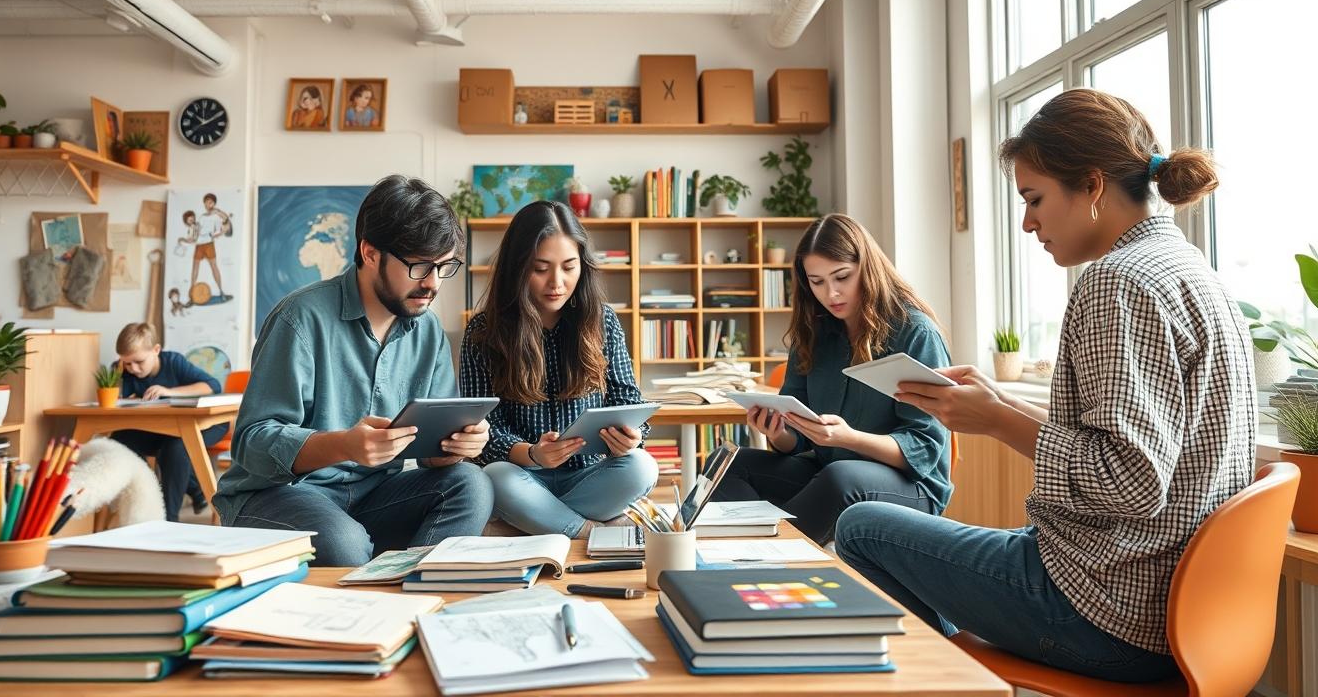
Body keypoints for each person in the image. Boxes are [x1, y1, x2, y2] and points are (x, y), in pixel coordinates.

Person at [837, 88, 1255, 682]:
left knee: (860, 527)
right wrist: (998, 399)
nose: (1028, 222)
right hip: (1179, 609)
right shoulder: (1187, 268)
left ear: (1091, 186)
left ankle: (964, 685)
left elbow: (1132, 482)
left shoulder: (1117, 285)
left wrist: (997, 421)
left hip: (1107, 608)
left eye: (1034, 199)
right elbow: (1139, 452)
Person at [214, 175, 495, 566]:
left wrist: (456, 446)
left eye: (444, 267)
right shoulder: (301, 317)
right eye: (419, 266)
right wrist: (344, 445)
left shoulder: (427, 330)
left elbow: (431, 457)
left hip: (373, 495)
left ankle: (418, 586)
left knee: (472, 484)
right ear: (370, 253)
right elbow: (252, 443)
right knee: (344, 542)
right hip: (279, 494)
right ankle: (375, 589)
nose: (432, 284)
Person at [708, 214, 951, 545]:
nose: (831, 293)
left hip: (911, 486)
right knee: (727, 462)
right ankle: (761, 545)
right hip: (829, 472)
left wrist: (848, 438)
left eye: (842, 277)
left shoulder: (914, 332)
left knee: (840, 477)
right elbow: (798, 440)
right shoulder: (814, 333)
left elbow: (923, 449)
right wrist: (778, 433)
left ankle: (771, 553)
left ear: (867, 268)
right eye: (817, 281)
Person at [459, 201, 656, 539]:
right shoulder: (483, 332)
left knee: (642, 467)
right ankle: (586, 531)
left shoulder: (603, 321)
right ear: (517, 268)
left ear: (583, 265)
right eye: (541, 268)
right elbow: (483, 429)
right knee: (491, 478)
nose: (557, 282)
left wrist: (632, 438)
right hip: (522, 475)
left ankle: (535, 522)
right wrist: (533, 453)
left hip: (589, 473)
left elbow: (629, 400)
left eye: (569, 267)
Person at [112, 322, 226, 521]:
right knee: (120, 439)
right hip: (164, 428)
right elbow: (122, 398)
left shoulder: (173, 362)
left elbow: (212, 385)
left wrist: (169, 392)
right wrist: (118, 379)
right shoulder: (127, 371)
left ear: (156, 350)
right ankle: (155, 491)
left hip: (207, 424)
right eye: (127, 363)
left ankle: (168, 518)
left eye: (139, 361)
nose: (134, 368)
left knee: (175, 446)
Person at [190, 193, 229, 300]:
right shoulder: (201, 216)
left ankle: (221, 292)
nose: (208, 204)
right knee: (195, 267)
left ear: (214, 203)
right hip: (199, 244)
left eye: (210, 202)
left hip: (209, 244)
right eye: (206, 202)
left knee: (214, 267)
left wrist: (215, 234)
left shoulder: (217, 216)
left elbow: (222, 225)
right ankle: (191, 293)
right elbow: (197, 230)